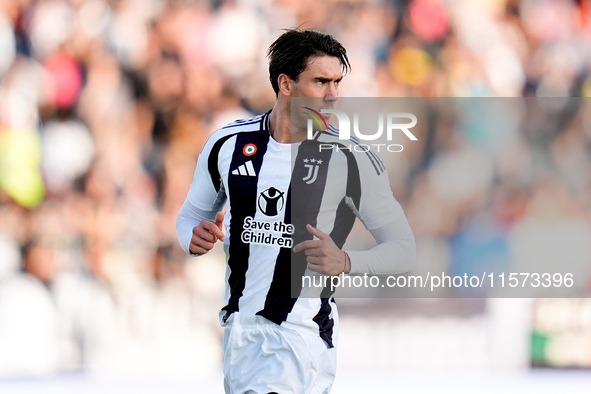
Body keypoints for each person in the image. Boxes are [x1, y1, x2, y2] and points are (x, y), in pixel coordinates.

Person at [176, 28, 415, 394]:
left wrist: (347, 261)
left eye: (336, 82)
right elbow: (189, 217)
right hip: (240, 336)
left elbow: (403, 249)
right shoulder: (227, 144)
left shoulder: (351, 160)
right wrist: (193, 237)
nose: (332, 95)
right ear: (285, 84)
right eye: (320, 81)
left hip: (300, 336)